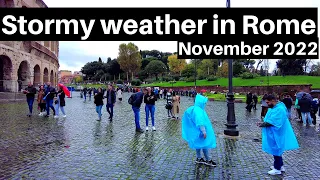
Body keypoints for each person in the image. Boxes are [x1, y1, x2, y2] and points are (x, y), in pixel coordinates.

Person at [257, 95, 299, 175]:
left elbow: (274, 121)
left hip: (277, 133)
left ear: (273, 100)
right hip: (274, 133)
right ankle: (280, 165)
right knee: (276, 150)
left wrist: (262, 124)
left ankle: (277, 169)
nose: (267, 104)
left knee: (276, 149)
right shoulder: (275, 107)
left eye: (268, 102)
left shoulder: (279, 109)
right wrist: (263, 123)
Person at [182, 94, 217, 167]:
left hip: (196, 131)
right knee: (205, 145)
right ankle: (208, 160)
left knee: (198, 144)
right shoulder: (199, 111)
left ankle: (199, 158)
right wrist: (204, 132)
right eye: (204, 103)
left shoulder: (194, 109)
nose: (205, 104)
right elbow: (200, 122)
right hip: (201, 131)